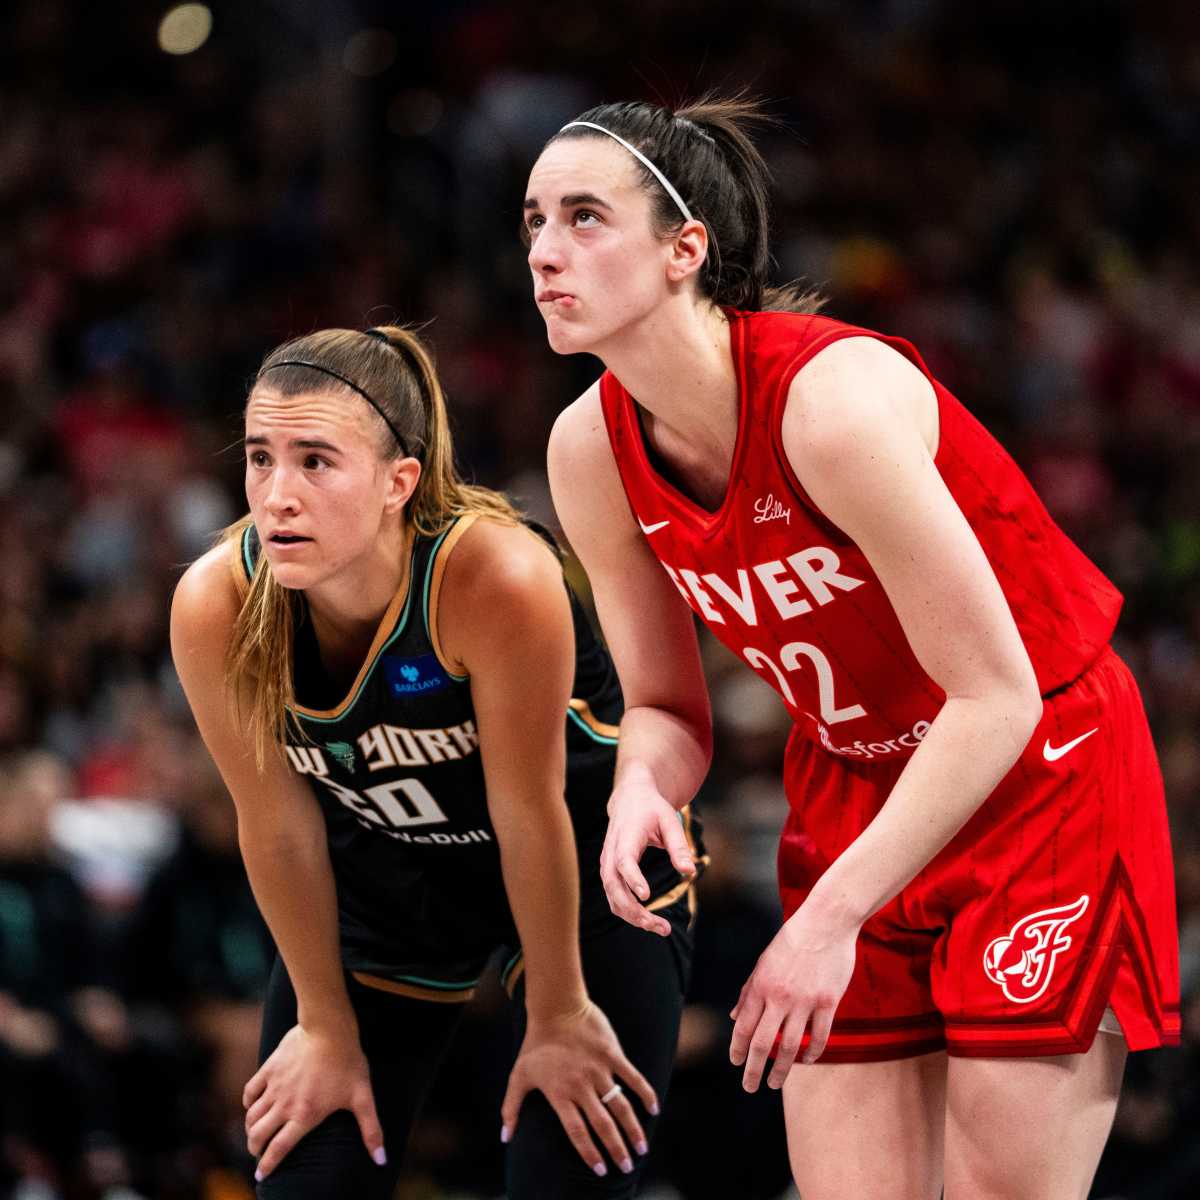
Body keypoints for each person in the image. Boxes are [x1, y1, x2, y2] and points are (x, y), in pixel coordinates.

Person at [527, 97, 1179, 1199]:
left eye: (585, 218)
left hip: (1038, 774)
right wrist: (644, 784)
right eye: (534, 217)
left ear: (687, 249)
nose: (544, 251)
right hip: (857, 784)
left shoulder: (829, 404)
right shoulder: (586, 450)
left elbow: (996, 697)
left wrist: (828, 920)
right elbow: (668, 708)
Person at [169, 324, 703, 1198]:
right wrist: (323, 1024)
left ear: (398, 481)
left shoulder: (496, 577)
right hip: (390, 877)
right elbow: (278, 827)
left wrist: (561, 1012)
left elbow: (530, 814)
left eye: (315, 460)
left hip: (587, 865)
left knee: (570, 1168)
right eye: (260, 458)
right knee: (306, 1170)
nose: (277, 494)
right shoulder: (215, 600)